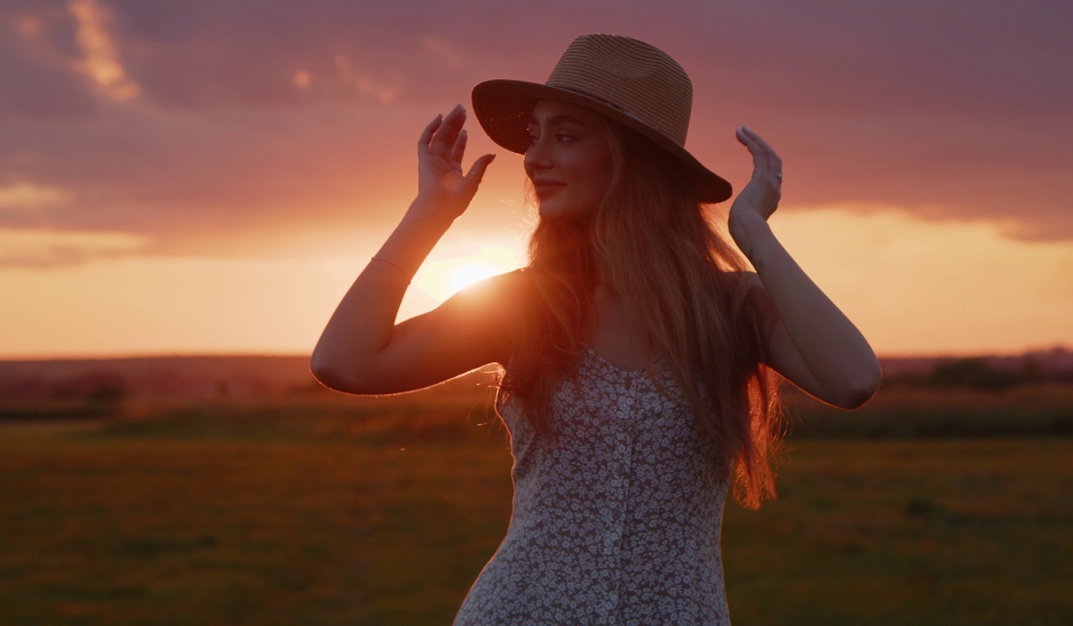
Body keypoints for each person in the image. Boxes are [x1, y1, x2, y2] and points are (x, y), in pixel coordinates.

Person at [311, 34, 881, 625]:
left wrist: (754, 236)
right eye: (535, 136)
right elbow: (343, 363)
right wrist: (428, 214)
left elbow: (853, 379)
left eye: (565, 135)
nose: (533, 159)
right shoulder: (525, 302)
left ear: (632, 157)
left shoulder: (731, 309)